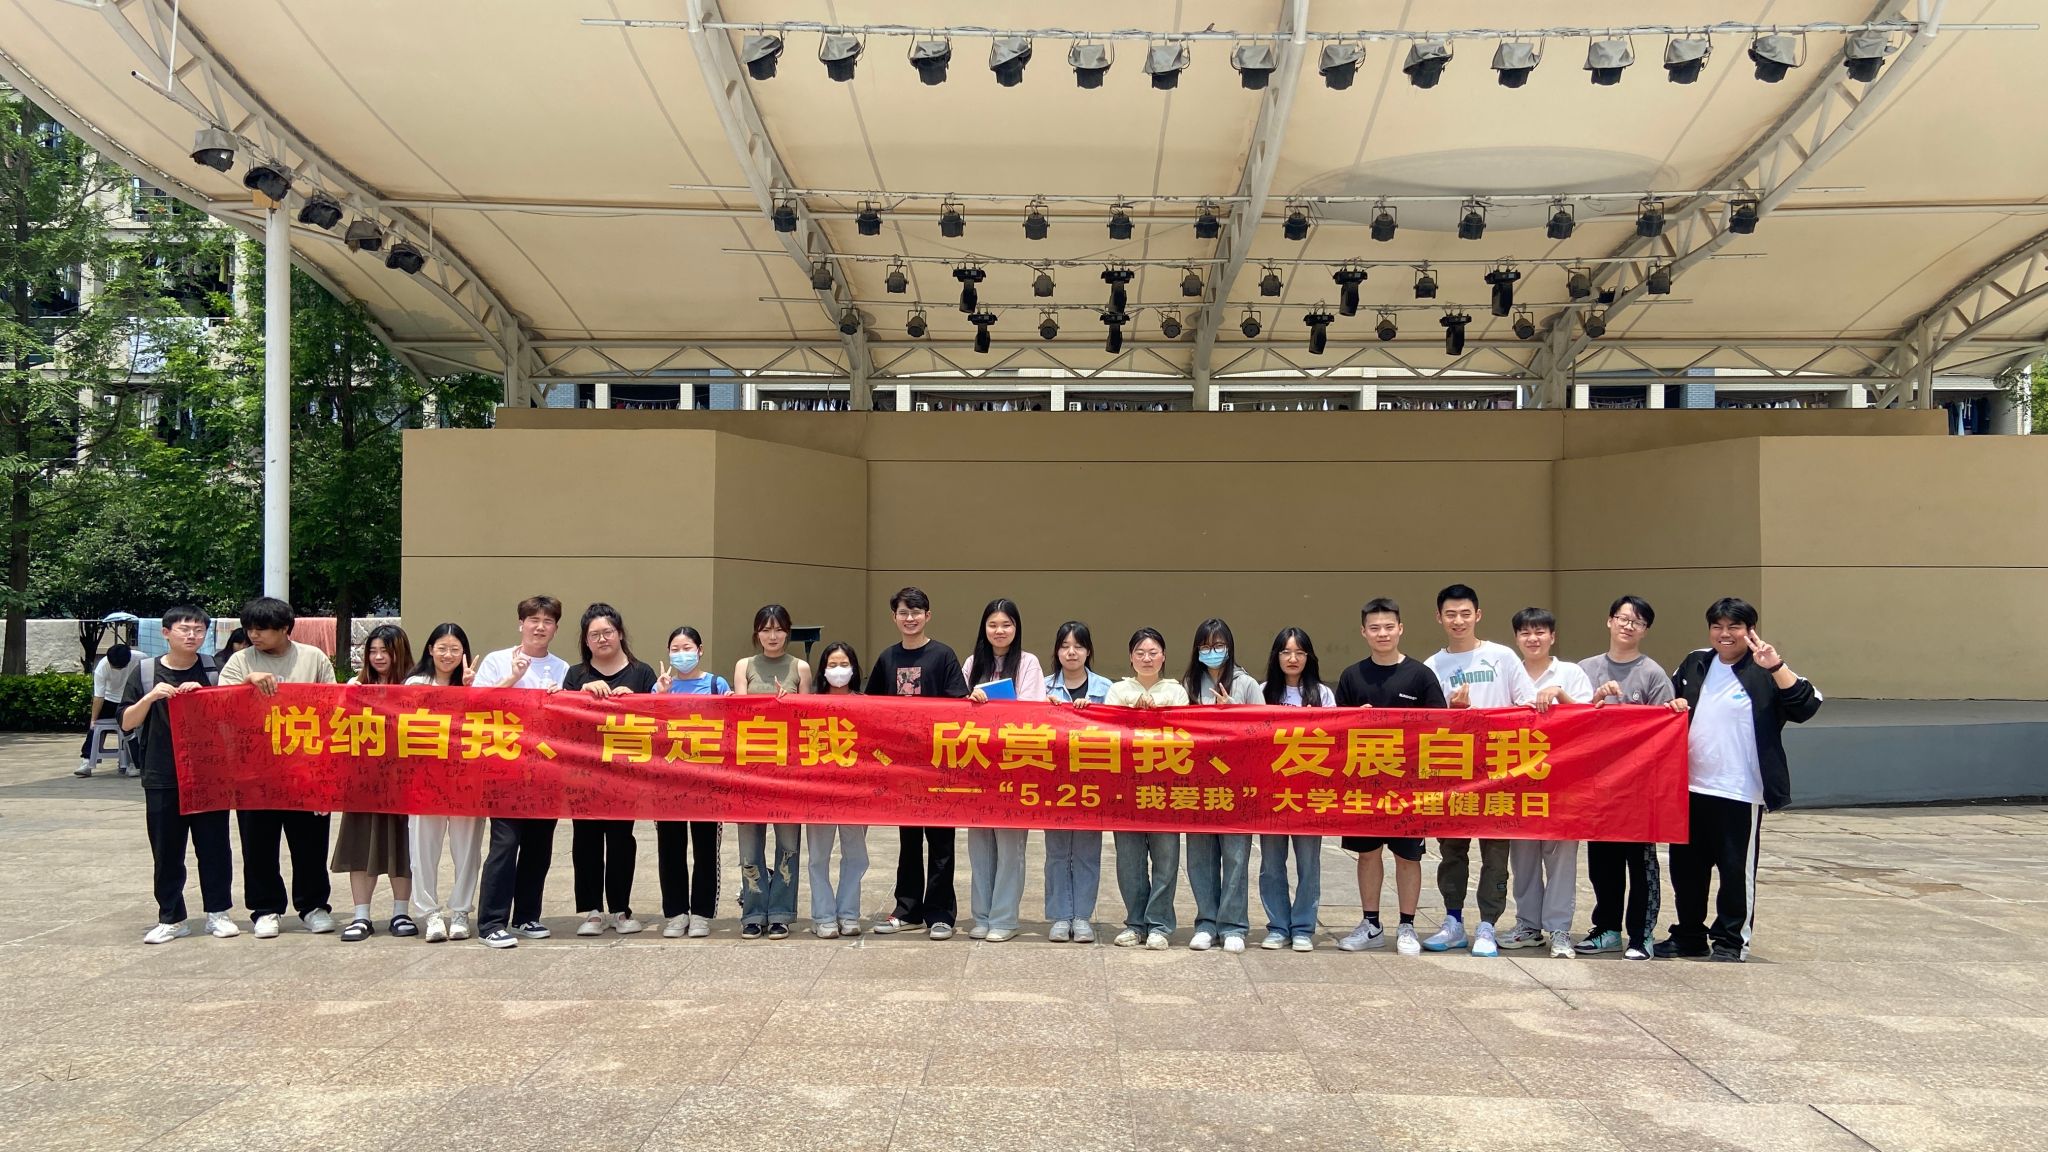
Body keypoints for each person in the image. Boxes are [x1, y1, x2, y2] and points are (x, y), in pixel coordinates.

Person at [1659, 598, 1822, 962]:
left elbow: (1806, 706)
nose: (1725, 634)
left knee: (1735, 872)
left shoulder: (1764, 667)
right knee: (1687, 871)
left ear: (1749, 631)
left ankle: (1731, 941)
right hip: (1690, 787)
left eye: (1734, 627)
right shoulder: (1696, 662)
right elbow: (1667, 702)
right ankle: (1689, 937)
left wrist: (1776, 666)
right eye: (1717, 626)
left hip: (1739, 790)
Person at [1421, 584, 1537, 958]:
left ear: (1478, 615)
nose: (1458, 621)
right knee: (1452, 852)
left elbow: (1527, 708)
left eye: (1465, 613)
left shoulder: (1502, 657)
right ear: (1439, 618)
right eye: (1450, 614)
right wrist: (1452, 715)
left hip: (1498, 774)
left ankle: (1488, 924)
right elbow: (1423, 725)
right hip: (1452, 774)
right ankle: (1453, 922)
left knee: (1495, 855)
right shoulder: (1432, 666)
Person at [219, 596, 338, 939]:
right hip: (254, 772)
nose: (254, 635)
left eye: (262, 629)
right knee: (258, 845)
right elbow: (219, 704)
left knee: (310, 844)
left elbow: (332, 707)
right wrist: (248, 681)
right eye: (249, 629)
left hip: (305, 769)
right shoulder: (241, 661)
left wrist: (326, 773)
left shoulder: (313, 658)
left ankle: (313, 906)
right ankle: (265, 909)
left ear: (285, 628)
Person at [1333, 598, 1446, 956]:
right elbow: (1334, 734)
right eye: (1375, 628)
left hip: (1409, 786)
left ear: (1400, 629)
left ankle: (1407, 926)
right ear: (1363, 632)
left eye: (1388, 626)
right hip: (1364, 782)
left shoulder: (1420, 675)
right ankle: (1371, 925)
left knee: (1408, 857)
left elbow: (1440, 728)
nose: (1382, 633)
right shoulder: (1352, 676)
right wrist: (1356, 719)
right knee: (1368, 854)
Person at [121, 608, 235, 943]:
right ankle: (171, 917)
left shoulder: (213, 670)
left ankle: (218, 913)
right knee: (166, 850)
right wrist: (152, 696)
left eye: (199, 630)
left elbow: (233, 716)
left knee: (214, 848)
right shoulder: (145, 672)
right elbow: (126, 721)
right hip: (162, 773)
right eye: (184, 629)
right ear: (166, 632)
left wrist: (206, 697)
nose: (192, 635)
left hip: (208, 774)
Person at [1575, 595, 1675, 961]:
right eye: (1622, 618)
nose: (1628, 625)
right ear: (1609, 621)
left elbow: (1665, 730)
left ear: (1645, 630)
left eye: (1637, 622)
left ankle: (1641, 934)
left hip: (1639, 788)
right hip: (1598, 787)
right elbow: (1571, 719)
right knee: (1602, 863)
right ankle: (1607, 929)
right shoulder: (1585, 669)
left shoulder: (1653, 674)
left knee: (1641, 862)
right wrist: (1594, 703)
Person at [866, 587, 968, 940]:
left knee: (941, 843)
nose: (910, 618)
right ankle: (907, 910)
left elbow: (958, 705)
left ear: (928, 615)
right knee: (908, 841)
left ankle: (940, 914)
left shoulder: (943, 655)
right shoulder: (887, 658)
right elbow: (870, 708)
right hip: (902, 768)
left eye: (916, 612)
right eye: (903, 612)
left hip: (938, 765)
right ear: (894, 617)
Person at [474, 595, 571, 949]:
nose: (540, 627)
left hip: (545, 770)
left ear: (556, 628)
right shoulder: (497, 660)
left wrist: (562, 697)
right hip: (505, 769)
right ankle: (491, 922)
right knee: (505, 844)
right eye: (533, 620)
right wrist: (513, 678)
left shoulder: (562, 668)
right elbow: (476, 704)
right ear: (521, 624)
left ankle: (527, 915)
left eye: (548, 621)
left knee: (538, 846)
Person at [1503, 608, 1594, 958]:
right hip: (1519, 783)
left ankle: (1559, 930)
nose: (1533, 639)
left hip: (1563, 784)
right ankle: (1528, 925)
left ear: (1552, 637)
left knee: (1561, 860)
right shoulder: (1509, 672)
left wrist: (1560, 695)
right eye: (1525, 633)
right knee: (1523, 859)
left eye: (1540, 632)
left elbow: (1589, 721)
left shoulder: (1571, 673)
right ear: (1516, 638)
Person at [565, 603, 657, 938]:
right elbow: (563, 720)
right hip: (584, 774)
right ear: (585, 640)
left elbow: (657, 720)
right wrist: (582, 695)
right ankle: (592, 910)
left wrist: (635, 700)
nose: (602, 639)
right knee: (585, 840)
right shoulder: (576, 675)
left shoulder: (641, 672)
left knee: (620, 840)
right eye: (594, 635)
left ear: (619, 633)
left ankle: (620, 908)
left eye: (607, 632)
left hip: (624, 775)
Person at [963, 598, 1044, 943]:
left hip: (1014, 766)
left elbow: (1034, 710)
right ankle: (981, 916)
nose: (999, 631)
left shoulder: (1028, 662)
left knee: (1011, 849)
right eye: (993, 624)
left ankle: (1005, 918)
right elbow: (956, 710)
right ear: (984, 628)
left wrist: (995, 702)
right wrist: (972, 700)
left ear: (1016, 628)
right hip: (978, 767)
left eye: (1006, 624)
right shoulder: (971, 663)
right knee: (980, 847)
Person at [331, 625, 417, 941]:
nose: (378, 657)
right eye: (373, 651)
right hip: (363, 782)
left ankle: (401, 912)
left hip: (403, 782)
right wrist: (345, 696)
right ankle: (361, 916)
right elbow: (335, 729)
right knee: (360, 845)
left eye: (385, 651)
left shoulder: (414, 686)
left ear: (399, 652)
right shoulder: (357, 687)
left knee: (402, 846)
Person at [1104, 627, 1188, 950]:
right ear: (1131, 657)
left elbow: (1183, 734)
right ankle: (1135, 923)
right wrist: (1133, 716)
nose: (1147, 658)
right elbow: (1109, 732)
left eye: (1153, 653)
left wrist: (1157, 718)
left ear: (1163, 657)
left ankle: (1160, 925)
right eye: (1140, 653)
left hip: (1165, 790)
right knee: (1129, 861)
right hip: (1126, 789)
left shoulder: (1176, 692)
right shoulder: (1118, 690)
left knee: (1166, 860)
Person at [1181, 618, 1259, 954]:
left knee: (1236, 857)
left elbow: (1266, 731)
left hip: (1236, 787)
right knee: (1200, 857)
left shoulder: (1247, 684)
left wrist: (1235, 713)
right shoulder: (1188, 684)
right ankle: (1206, 923)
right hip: (1197, 785)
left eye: (1218, 645)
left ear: (1229, 647)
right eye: (1205, 646)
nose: (1212, 651)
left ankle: (1233, 926)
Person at [733, 603, 811, 941]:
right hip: (750, 771)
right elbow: (738, 714)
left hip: (787, 772)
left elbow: (808, 720)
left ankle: (780, 913)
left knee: (788, 845)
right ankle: (752, 913)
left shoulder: (800, 667)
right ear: (757, 633)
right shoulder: (744, 666)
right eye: (766, 629)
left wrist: (789, 707)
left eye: (779, 629)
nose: (773, 636)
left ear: (787, 632)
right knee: (750, 847)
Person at [406, 622, 483, 943]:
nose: (448, 655)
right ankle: (431, 914)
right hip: (425, 780)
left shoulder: (475, 683)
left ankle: (461, 911)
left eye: (455, 649)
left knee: (467, 850)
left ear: (464, 652)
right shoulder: (414, 682)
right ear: (430, 649)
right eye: (442, 648)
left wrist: (469, 690)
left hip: (466, 779)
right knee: (423, 849)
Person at [1258, 628, 1333, 953]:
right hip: (1272, 794)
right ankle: (1278, 926)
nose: (1292, 659)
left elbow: (1336, 739)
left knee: (1308, 865)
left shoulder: (1322, 694)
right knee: (1271, 865)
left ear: (1308, 657)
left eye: (1300, 653)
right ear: (1276, 657)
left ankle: (1303, 927)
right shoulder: (1263, 692)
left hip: (1309, 795)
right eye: (1286, 652)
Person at [654, 626, 726, 939]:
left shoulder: (716, 684)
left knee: (705, 849)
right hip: (668, 782)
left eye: (687, 648)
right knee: (670, 848)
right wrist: (662, 695)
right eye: (675, 649)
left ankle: (701, 914)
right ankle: (675, 913)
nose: (681, 654)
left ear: (700, 650)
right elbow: (648, 728)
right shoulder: (660, 686)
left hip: (706, 782)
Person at [1042, 621, 1111, 944]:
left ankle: (1082, 916)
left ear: (1088, 651)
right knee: (1057, 852)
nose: (1072, 652)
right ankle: (1060, 916)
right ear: (1057, 651)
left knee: (1086, 852)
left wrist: (1093, 715)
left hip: (1091, 783)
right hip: (1053, 783)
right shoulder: (1043, 689)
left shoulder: (1106, 689)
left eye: (1078, 646)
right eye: (1065, 646)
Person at [806, 641, 869, 939]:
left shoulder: (867, 703)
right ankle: (823, 916)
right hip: (819, 793)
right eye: (832, 665)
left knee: (856, 856)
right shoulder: (810, 704)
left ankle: (849, 913)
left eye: (844, 664)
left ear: (854, 669)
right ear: (823, 670)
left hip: (856, 793)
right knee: (818, 857)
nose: (838, 670)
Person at [77, 642, 138, 777]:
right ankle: (87, 761)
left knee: (132, 729)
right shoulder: (102, 667)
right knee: (95, 729)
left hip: (130, 700)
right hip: (110, 700)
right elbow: (99, 696)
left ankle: (133, 763)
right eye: (113, 666)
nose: (116, 669)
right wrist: (93, 720)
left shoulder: (141, 658)